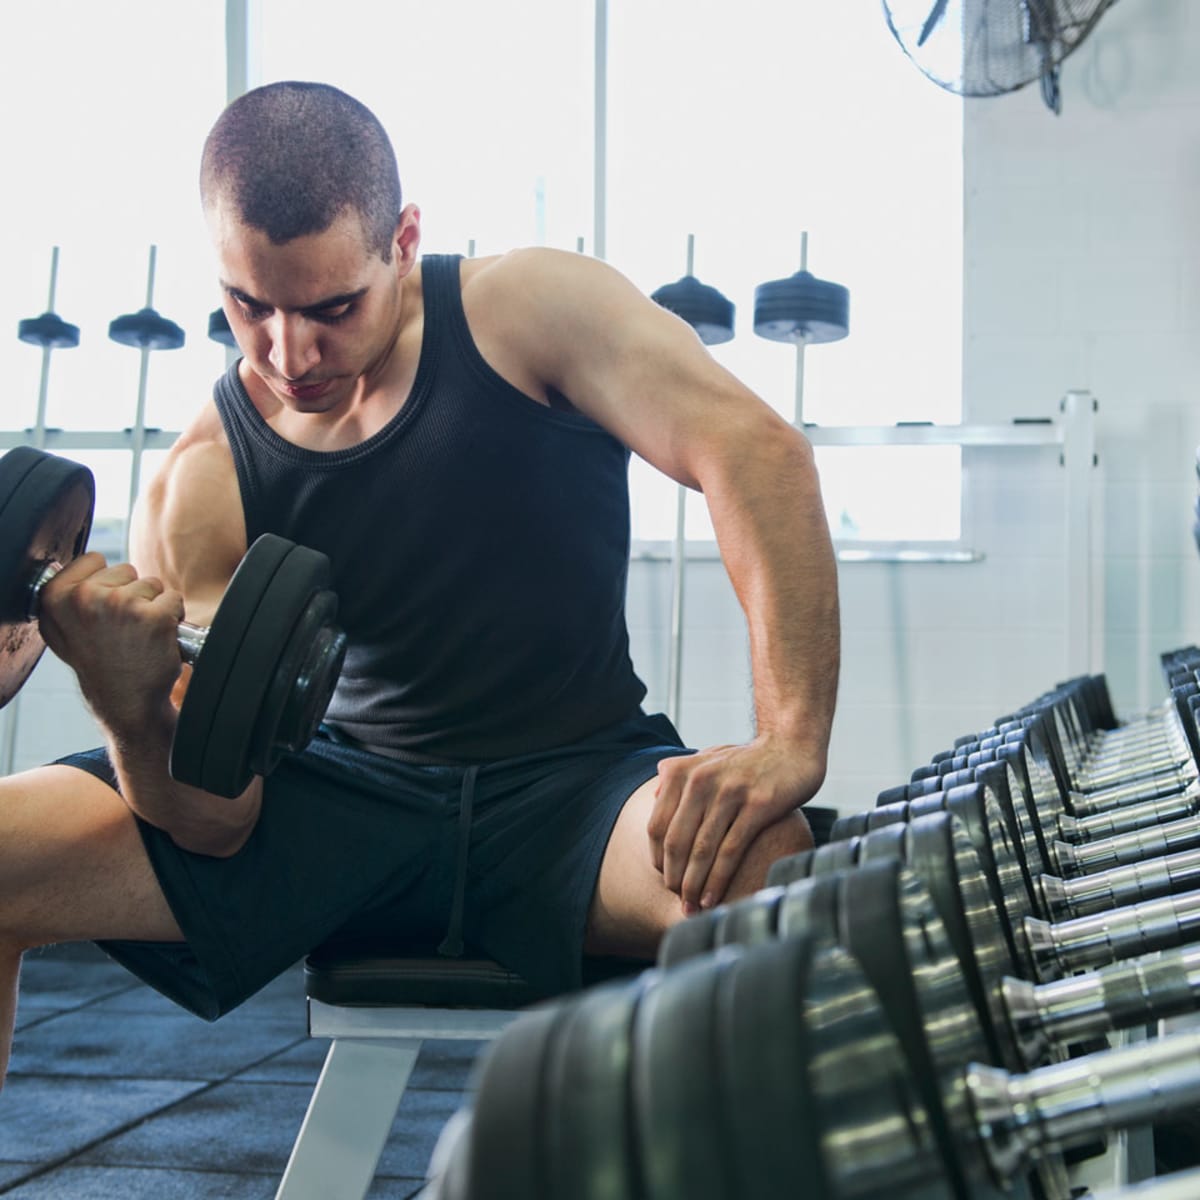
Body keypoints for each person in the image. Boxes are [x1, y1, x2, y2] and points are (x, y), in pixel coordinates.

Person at [0, 81, 839, 1087]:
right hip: (331, 805)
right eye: (248, 306)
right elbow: (217, 818)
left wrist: (789, 738)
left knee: (771, 875)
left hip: (571, 787)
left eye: (331, 307)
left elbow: (753, 450)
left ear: (402, 239)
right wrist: (126, 704)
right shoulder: (201, 476)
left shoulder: (527, 311)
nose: (288, 352)